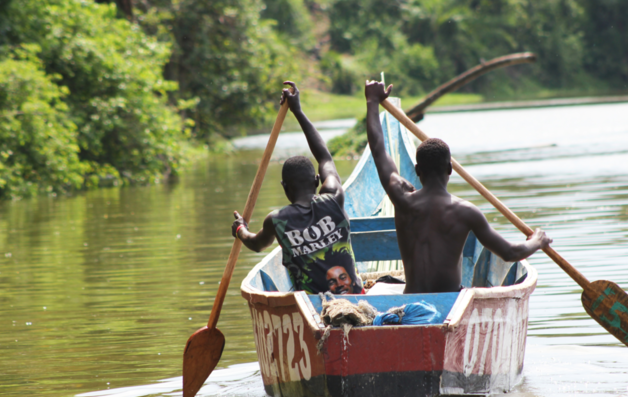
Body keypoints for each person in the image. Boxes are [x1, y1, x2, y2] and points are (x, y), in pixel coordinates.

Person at [363, 80, 552, 294]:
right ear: (450, 169)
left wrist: (372, 101)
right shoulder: (466, 212)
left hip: (411, 299)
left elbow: (378, 149)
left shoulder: (402, 199)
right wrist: (538, 240)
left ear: (417, 171)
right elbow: (510, 252)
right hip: (450, 302)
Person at [232, 81, 364, 295]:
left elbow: (255, 244)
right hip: (357, 298)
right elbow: (324, 157)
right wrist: (298, 111)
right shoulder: (334, 197)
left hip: (314, 310)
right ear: (316, 181)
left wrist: (240, 229)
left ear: (285, 187)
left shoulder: (277, 220)